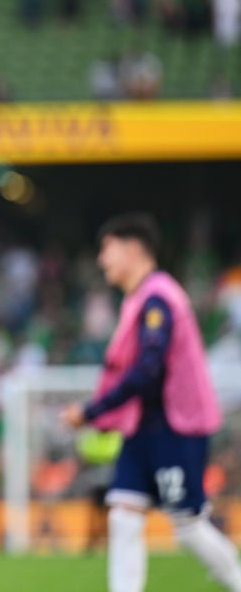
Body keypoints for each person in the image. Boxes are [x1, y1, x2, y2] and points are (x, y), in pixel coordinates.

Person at [62, 213, 241, 592]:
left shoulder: (159, 298)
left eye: (106, 249)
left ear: (131, 249)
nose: (101, 260)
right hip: (143, 429)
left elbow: (147, 370)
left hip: (175, 428)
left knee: (188, 525)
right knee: (123, 517)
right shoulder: (141, 298)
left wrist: (92, 412)